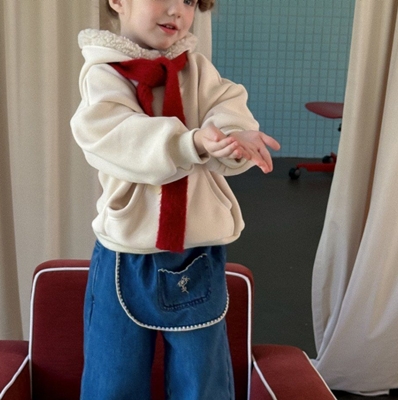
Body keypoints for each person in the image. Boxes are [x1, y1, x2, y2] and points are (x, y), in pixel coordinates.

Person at [70, 0, 280, 399]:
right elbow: (114, 137)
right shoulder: (103, 75)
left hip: (197, 248)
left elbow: (226, 108)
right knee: (112, 379)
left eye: (188, 0)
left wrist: (231, 139)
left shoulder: (198, 70)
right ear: (117, 1)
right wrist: (190, 142)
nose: (177, 10)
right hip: (126, 252)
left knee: (202, 381)